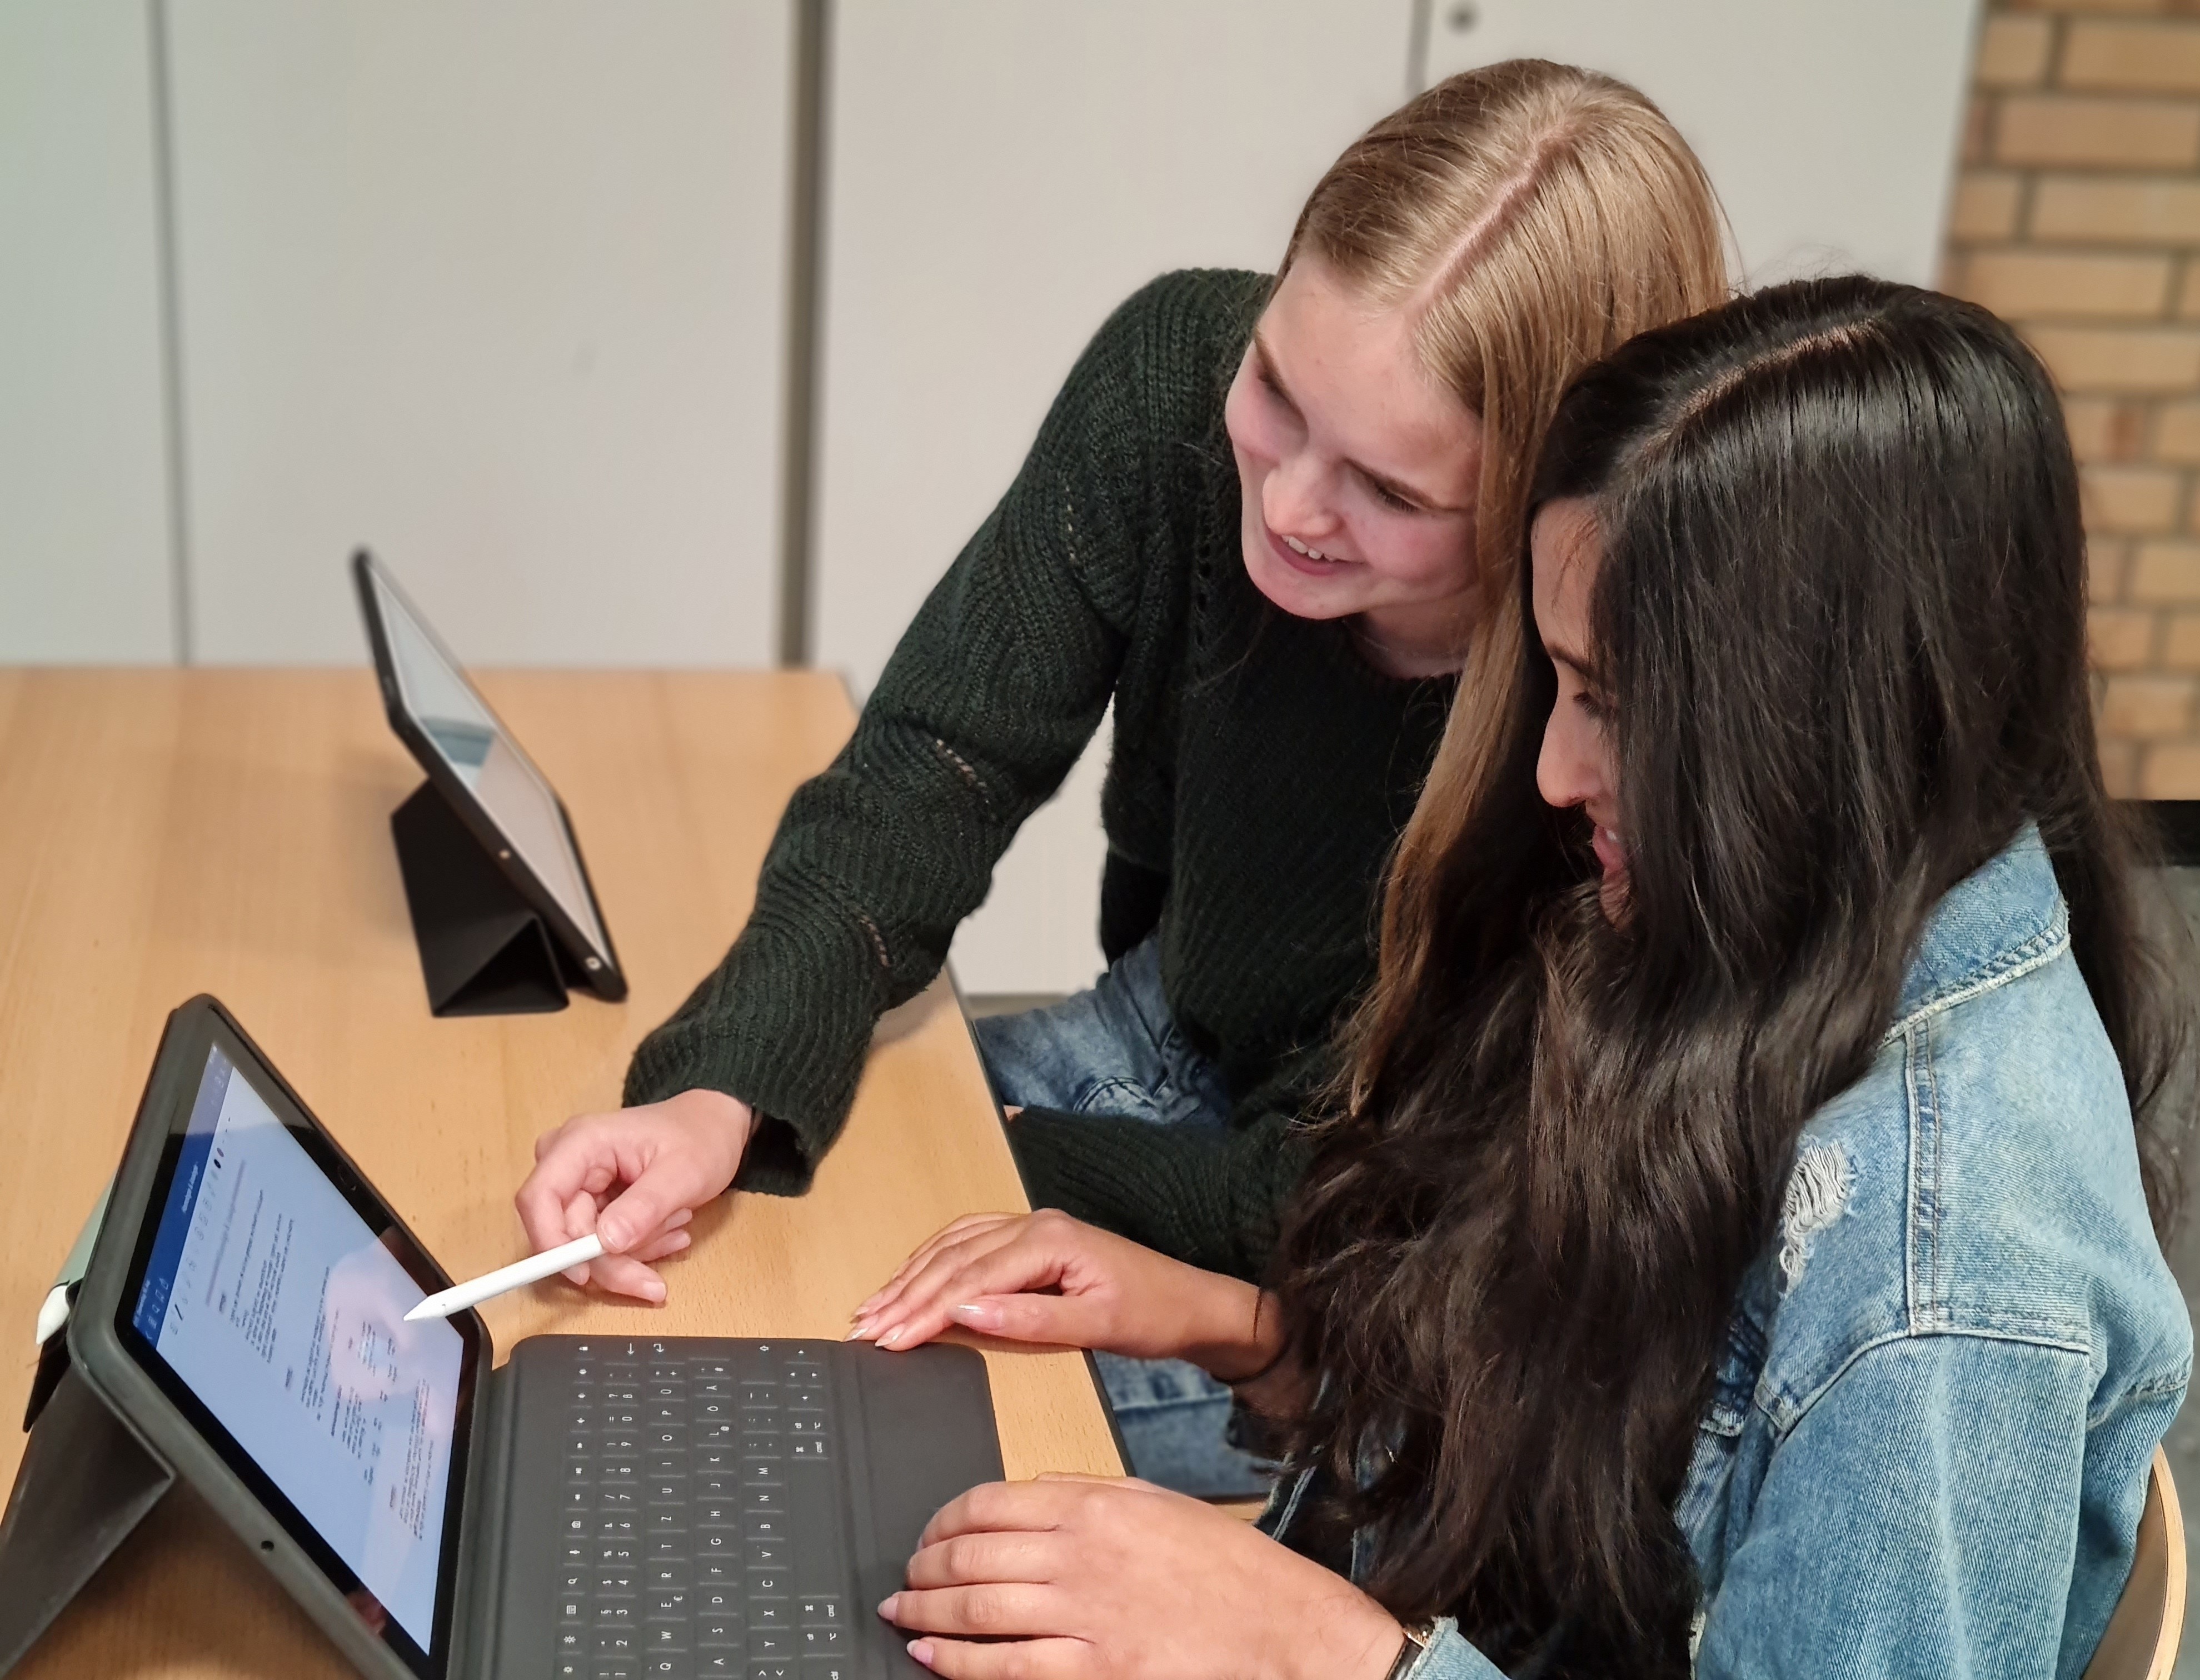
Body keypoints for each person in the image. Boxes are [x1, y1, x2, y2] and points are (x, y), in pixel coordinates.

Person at [845, 277, 2195, 1679]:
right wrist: (1244, 1334)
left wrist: (1328, 1654)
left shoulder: (1944, 1280)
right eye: (1558, 683)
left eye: (1610, 703)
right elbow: (1577, 1479)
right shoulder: (1775, 929)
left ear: (1821, 728)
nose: (1554, 772)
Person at [512, 61, 1729, 1493]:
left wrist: (986, 1158)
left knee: (803, 1430)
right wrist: (719, 1090)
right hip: (1179, 1034)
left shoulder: (1619, 712)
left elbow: (1407, 1232)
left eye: (1391, 493)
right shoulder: (1171, 379)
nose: (1284, 504)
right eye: (1276, 388)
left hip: (1380, 1271)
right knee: (687, 1272)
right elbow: (935, 767)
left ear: (1548, 504)